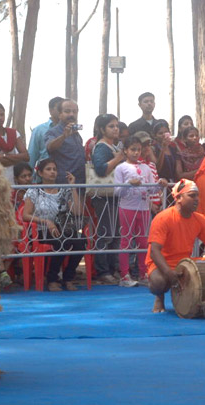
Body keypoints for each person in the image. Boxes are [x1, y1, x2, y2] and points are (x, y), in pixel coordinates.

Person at [146, 179, 205, 313]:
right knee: (159, 282)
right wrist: (169, 273)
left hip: (185, 263)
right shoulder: (163, 218)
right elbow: (154, 252)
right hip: (161, 264)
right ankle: (160, 296)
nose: (197, 199)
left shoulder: (200, 219)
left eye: (197, 196)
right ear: (179, 198)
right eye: (192, 196)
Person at [22, 159, 85, 292]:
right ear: (40, 173)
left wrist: (72, 186)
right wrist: (46, 222)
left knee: (81, 240)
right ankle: (52, 278)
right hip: (41, 230)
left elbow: (78, 211)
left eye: (54, 169)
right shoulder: (34, 191)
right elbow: (26, 215)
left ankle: (68, 278)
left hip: (63, 227)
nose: (52, 172)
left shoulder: (63, 190)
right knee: (61, 241)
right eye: (48, 169)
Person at [114, 135, 168, 287]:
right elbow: (117, 191)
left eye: (138, 150)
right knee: (126, 240)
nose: (136, 153)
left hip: (144, 208)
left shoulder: (146, 167)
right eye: (132, 149)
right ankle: (124, 275)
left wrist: (160, 184)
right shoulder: (121, 168)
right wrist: (128, 184)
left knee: (143, 242)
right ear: (125, 151)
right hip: (127, 208)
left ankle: (143, 273)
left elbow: (152, 189)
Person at [91, 113, 125, 284]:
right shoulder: (102, 147)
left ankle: (113, 268)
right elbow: (100, 169)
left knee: (116, 233)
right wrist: (118, 158)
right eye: (111, 126)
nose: (115, 129)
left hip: (114, 195)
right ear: (102, 129)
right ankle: (103, 271)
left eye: (117, 126)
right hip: (103, 196)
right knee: (105, 233)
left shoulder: (114, 147)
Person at [0, 102, 29, 184]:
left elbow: (26, 156)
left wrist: (4, 156)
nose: (0, 118)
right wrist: (17, 159)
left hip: (12, 179)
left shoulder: (13, 133)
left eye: (2, 115)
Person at [45, 99, 85, 184]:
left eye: (74, 111)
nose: (71, 114)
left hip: (80, 181)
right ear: (60, 114)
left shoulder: (76, 133)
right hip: (64, 182)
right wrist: (64, 136)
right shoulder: (53, 132)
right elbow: (50, 147)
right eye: (67, 111)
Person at [28, 96, 63, 182]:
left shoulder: (69, 130)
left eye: (63, 109)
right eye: (59, 108)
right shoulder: (39, 130)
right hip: (43, 179)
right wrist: (29, 180)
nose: (61, 111)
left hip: (64, 178)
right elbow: (32, 155)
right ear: (50, 110)